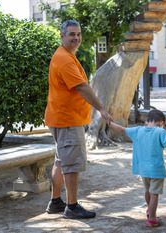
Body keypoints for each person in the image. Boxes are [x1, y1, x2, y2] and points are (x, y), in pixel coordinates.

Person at [44, 20, 113, 219]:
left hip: (62, 118)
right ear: (62, 36)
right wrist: (101, 109)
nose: (76, 37)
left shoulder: (65, 56)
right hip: (67, 120)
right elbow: (82, 87)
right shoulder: (64, 59)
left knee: (62, 160)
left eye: (78, 34)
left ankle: (56, 201)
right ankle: (71, 207)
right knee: (71, 164)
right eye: (72, 34)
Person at [108, 110, 166, 227]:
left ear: (147, 121)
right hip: (156, 170)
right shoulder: (160, 131)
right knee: (154, 194)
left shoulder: (138, 130)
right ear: (161, 123)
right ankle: (152, 219)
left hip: (143, 169)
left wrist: (110, 123)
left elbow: (122, 130)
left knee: (148, 191)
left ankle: (149, 210)